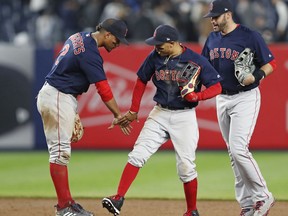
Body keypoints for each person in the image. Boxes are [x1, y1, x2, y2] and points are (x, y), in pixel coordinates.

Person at [102, 24, 223, 216]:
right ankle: (118, 198)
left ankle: (192, 211)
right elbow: (141, 80)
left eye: (160, 44)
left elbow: (217, 86)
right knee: (137, 154)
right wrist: (134, 110)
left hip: (184, 116)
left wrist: (198, 97)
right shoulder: (155, 56)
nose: (156, 47)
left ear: (173, 43)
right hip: (159, 113)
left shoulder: (196, 60)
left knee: (186, 166)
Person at [36, 18, 130, 216]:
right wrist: (118, 115)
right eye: (117, 39)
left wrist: (70, 108)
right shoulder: (90, 52)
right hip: (58, 96)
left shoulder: (78, 37)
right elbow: (103, 89)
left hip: (57, 94)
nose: (118, 43)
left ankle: (68, 202)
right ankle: (63, 208)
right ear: (107, 34)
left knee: (61, 152)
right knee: (60, 153)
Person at [201, 0, 276, 215]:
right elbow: (205, 68)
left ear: (228, 14)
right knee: (233, 154)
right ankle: (247, 205)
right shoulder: (212, 38)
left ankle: (263, 196)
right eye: (211, 17)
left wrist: (256, 75)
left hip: (245, 97)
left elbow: (270, 63)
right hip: (222, 98)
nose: (213, 20)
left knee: (238, 148)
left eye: (216, 16)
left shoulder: (249, 36)